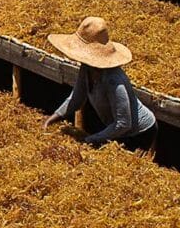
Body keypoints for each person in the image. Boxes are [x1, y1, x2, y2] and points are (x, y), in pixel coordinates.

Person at [44, 16, 156, 149]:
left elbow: (124, 123)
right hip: (115, 125)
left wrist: (91, 139)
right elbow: (76, 98)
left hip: (138, 133)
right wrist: (53, 118)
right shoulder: (86, 69)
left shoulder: (114, 81)